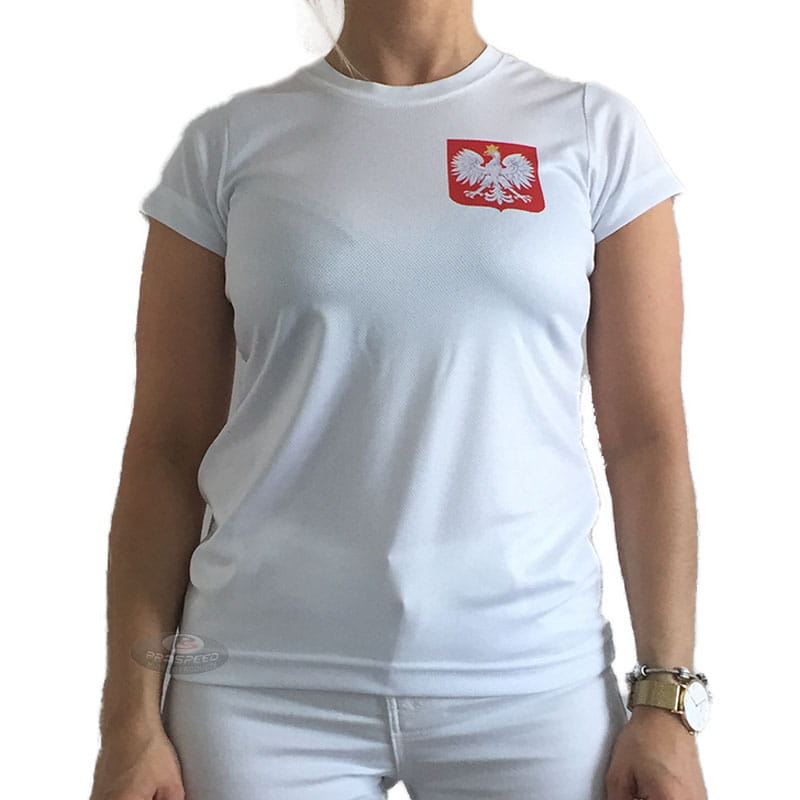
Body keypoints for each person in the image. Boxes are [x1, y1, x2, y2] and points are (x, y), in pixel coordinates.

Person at [90, 1, 709, 799]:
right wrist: (128, 720)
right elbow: (167, 451)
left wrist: (666, 696)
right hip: (262, 689)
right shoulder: (227, 147)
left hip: (529, 682)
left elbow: (646, 438)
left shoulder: (593, 134)